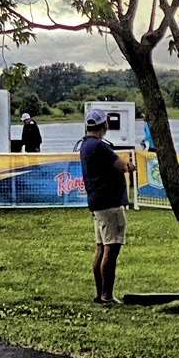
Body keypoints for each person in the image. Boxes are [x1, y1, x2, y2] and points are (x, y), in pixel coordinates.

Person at [77, 107, 135, 306]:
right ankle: (107, 296)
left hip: (97, 203)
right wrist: (130, 166)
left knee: (101, 248)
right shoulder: (101, 147)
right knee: (111, 249)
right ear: (104, 125)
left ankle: (100, 293)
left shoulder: (85, 146)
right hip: (110, 204)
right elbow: (123, 166)